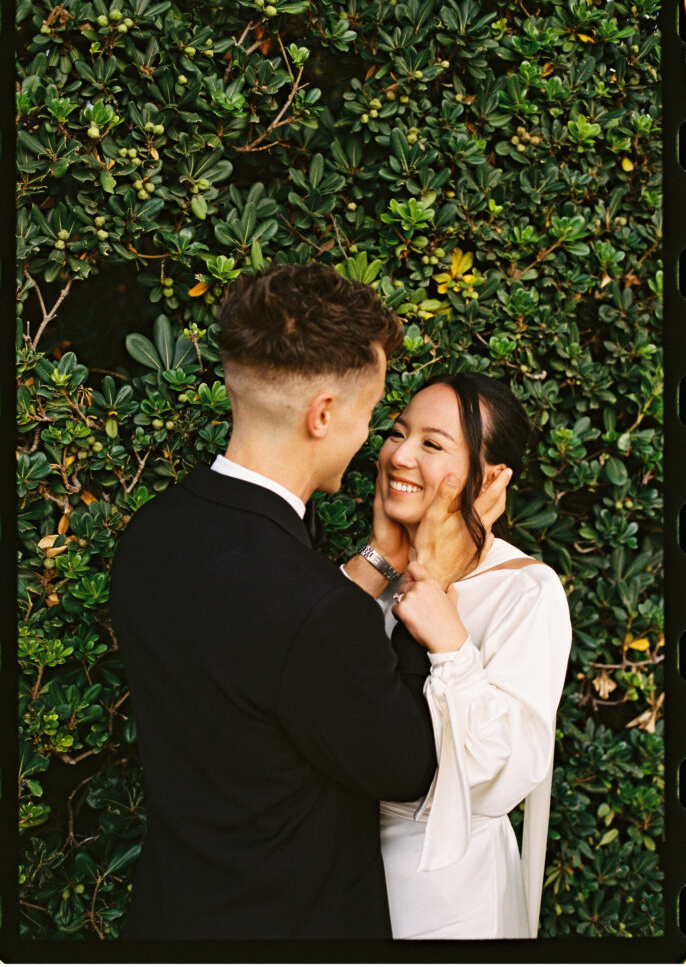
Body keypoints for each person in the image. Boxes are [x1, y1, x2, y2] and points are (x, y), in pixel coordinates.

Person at [109, 265, 507, 940]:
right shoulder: (315, 609)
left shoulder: (151, 534)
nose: (372, 441)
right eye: (373, 415)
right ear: (324, 414)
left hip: (170, 917)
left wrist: (379, 561)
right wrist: (429, 575)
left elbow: (267, 650)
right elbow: (407, 764)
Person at [344, 372, 572, 939]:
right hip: (336, 864)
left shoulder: (525, 590)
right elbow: (294, 673)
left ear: (492, 479)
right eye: (399, 433)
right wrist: (378, 563)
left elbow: (509, 770)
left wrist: (450, 644)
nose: (400, 456)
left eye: (433, 444)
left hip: (444, 892)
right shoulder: (372, 576)